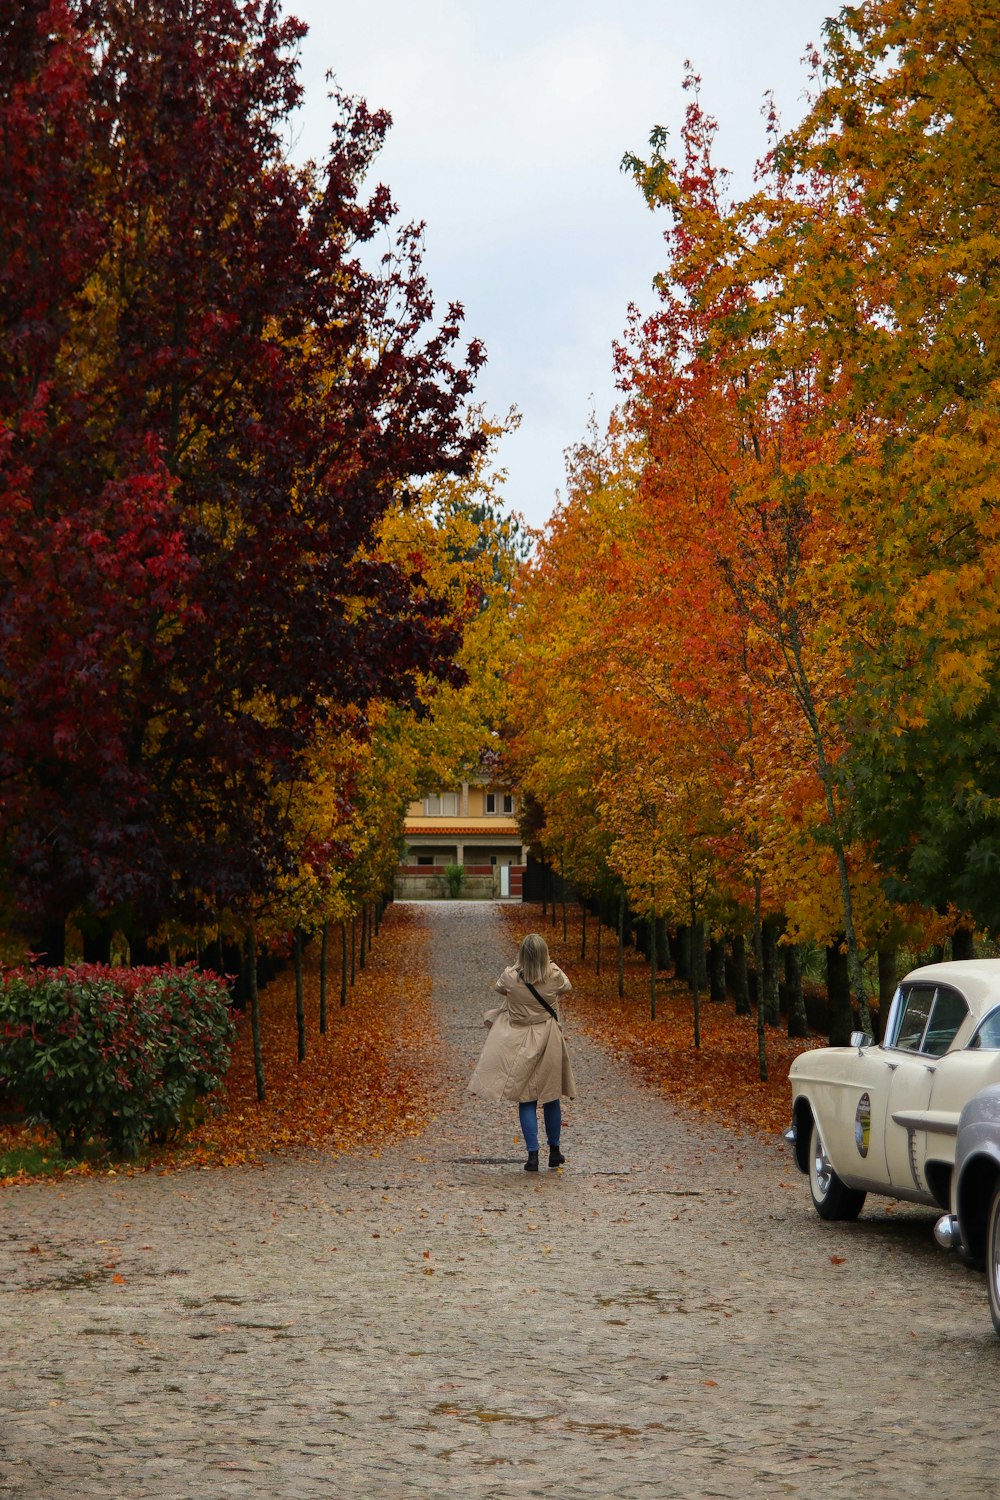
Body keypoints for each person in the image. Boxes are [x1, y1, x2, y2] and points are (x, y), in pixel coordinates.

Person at [468, 932, 576, 1171]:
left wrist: (517, 967)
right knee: (551, 1095)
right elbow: (567, 986)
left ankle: (532, 1155)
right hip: (548, 1039)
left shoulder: (511, 977)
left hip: (520, 1042)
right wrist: (550, 965)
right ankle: (555, 1151)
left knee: (526, 1098)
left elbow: (499, 988)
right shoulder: (554, 977)